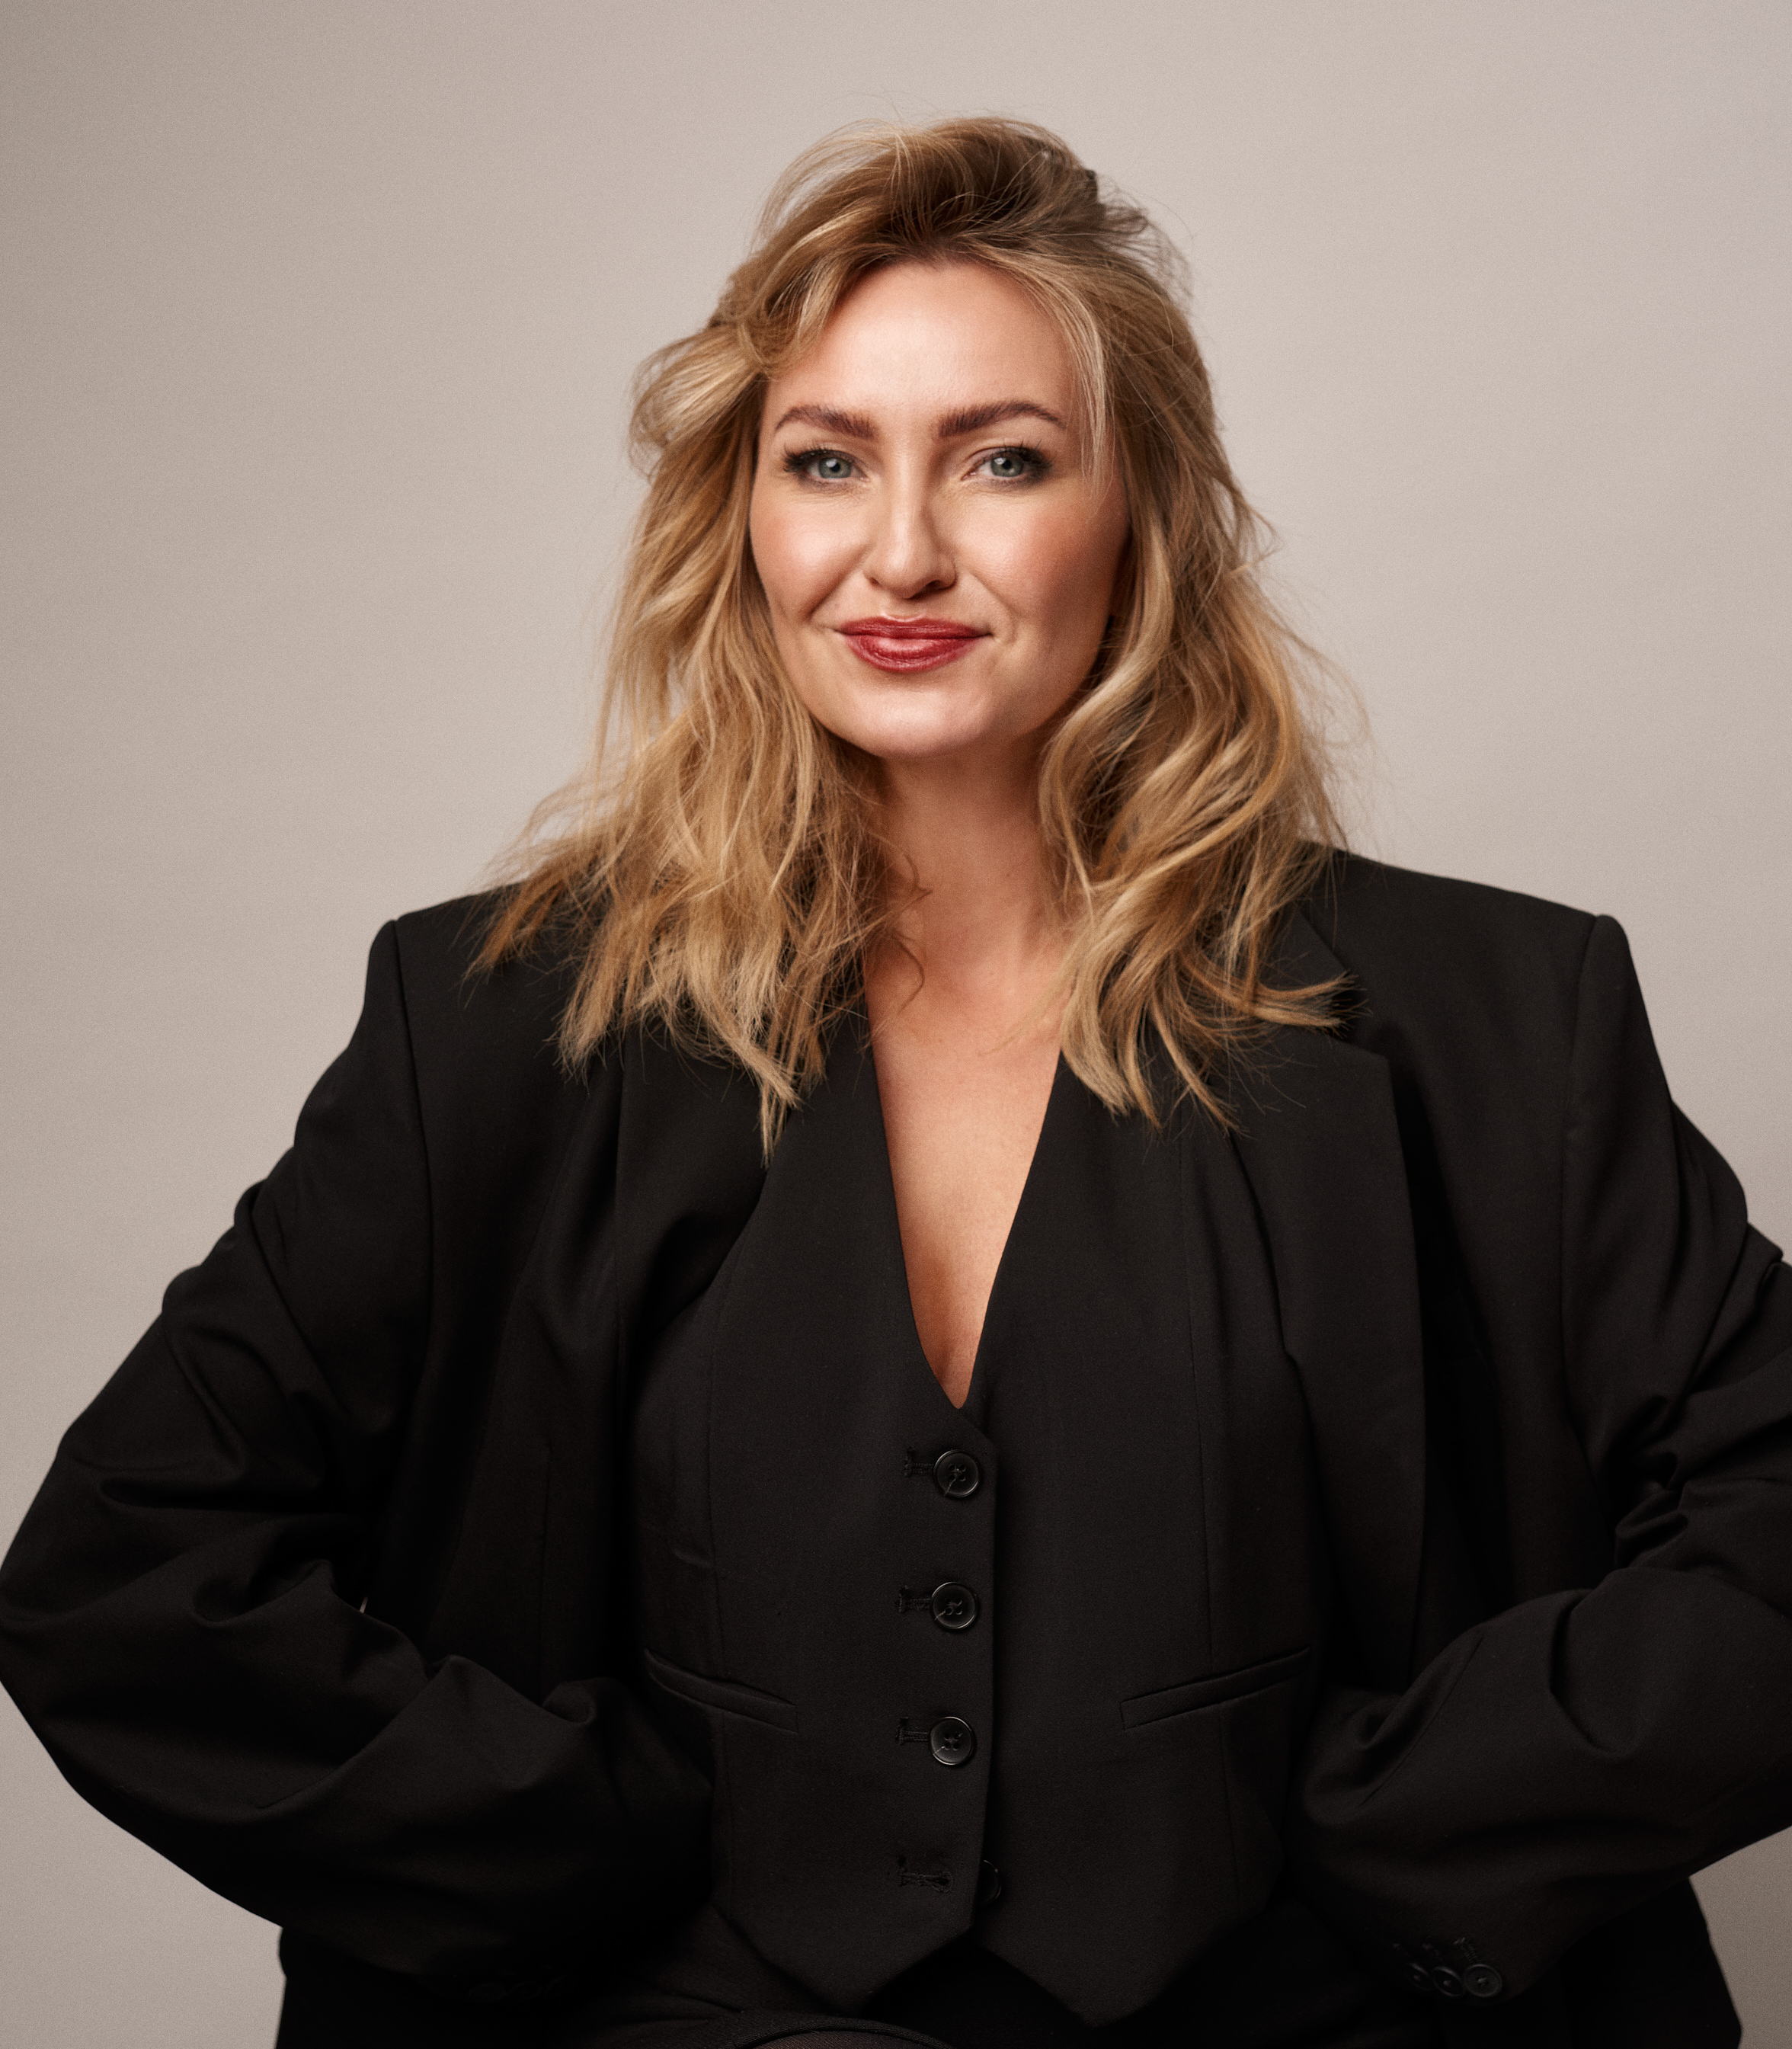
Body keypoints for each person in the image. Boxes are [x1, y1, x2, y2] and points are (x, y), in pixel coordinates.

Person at [2, 115, 1789, 2049]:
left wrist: (1411, 1837)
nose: (904, 551)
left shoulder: (1501, 1017)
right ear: (745, 516)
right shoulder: (497, 1023)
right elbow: (123, 1575)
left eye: (1003, 459)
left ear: (1141, 510)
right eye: (827, 460)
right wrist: (559, 1861)